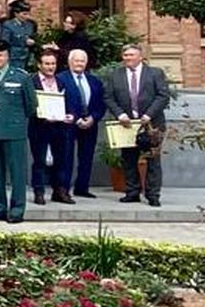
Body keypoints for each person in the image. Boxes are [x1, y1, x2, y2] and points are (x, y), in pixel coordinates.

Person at [105, 43, 169, 207]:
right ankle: (132, 192)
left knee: (153, 160)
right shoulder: (115, 75)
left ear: (140, 57)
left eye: (131, 55)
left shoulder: (155, 73)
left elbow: (163, 96)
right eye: (125, 55)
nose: (128, 58)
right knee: (128, 159)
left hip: (151, 124)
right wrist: (120, 114)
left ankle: (153, 195)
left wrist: (149, 115)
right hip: (126, 124)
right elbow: (109, 98)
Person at [0, 40, 35, 223]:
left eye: (0, 55)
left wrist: (16, 121)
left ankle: (17, 209)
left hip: (14, 131)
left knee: (17, 172)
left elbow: (30, 105)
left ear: (7, 56)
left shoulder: (21, 77)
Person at [28, 48, 75, 206]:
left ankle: (59, 191)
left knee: (61, 160)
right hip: (40, 127)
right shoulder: (31, 81)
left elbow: (69, 101)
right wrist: (40, 114)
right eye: (47, 64)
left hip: (60, 127)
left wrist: (70, 115)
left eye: (53, 64)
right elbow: (28, 105)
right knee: (39, 161)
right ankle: (39, 192)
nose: (50, 67)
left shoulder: (61, 81)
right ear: (39, 65)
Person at [61, 48, 105, 198]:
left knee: (86, 157)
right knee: (66, 157)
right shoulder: (61, 79)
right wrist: (76, 118)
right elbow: (61, 102)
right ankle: (64, 189)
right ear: (70, 62)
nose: (79, 64)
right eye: (76, 60)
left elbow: (100, 103)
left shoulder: (94, 81)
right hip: (68, 125)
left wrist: (93, 117)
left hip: (90, 124)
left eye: (82, 61)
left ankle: (82, 188)